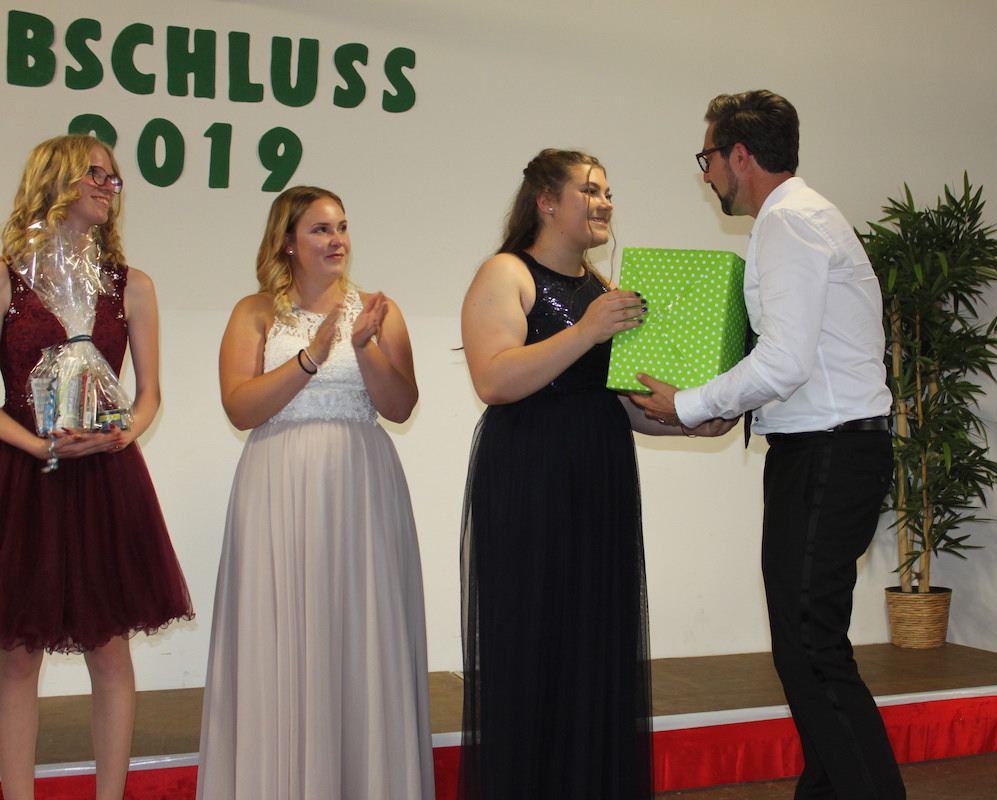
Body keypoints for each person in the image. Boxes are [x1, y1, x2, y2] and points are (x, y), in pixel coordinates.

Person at [632, 91, 905, 799]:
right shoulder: (801, 218)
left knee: (810, 649)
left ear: (740, 155)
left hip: (828, 454)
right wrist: (731, 406)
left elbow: (784, 362)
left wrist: (689, 403)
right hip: (826, 449)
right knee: (807, 646)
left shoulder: (789, 222)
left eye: (707, 158)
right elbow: (798, 361)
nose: (705, 175)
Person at [458, 148, 730, 800]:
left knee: (594, 644)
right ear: (546, 203)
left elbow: (618, 402)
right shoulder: (506, 273)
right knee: (533, 640)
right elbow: (494, 379)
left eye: (608, 191)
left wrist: (689, 420)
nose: (605, 202)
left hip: (599, 474)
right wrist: (586, 331)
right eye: (590, 190)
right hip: (529, 474)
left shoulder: (603, 291)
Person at [196, 186, 433, 799]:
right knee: (281, 636)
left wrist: (362, 345)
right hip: (276, 487)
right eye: (321, 230)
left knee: (358, 630)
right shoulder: (254, 312)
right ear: (287, 243)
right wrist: (312, 355)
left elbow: (400, 406)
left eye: (342, 227)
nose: (337, 240)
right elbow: (240, 407)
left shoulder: (378, 311)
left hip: (360, 485)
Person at [0, 134, 193, 800]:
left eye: (113, 178)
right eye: (95, 175)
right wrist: (38, 447)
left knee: (109, 650)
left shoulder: (131, 286)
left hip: (107, 482)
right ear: (54, 181)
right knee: (15, 657)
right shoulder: (7, 278)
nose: (110, 187)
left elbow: (150, 395)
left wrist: (121, 434)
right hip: (25, 478)